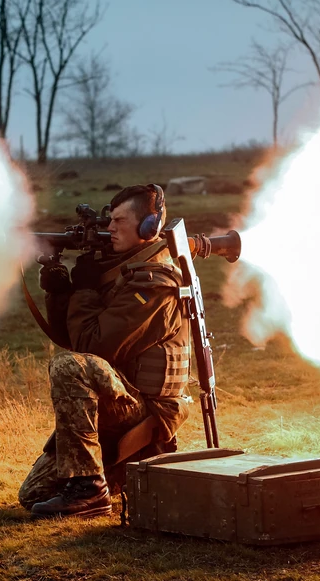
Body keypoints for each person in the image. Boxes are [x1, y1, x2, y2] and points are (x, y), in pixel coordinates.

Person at [19, 184, 192, 518]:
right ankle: (122, 472)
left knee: (69, 366)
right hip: (120, 400)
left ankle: (91, 491)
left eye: (119, 221)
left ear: (148, 227)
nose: (109, 228)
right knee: (34, 494)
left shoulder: (153, 284)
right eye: (108, 220)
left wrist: (84, 288)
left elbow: (90, 349)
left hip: (148, 410)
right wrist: (61, 291)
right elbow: (74, 339)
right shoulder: (121, 273)